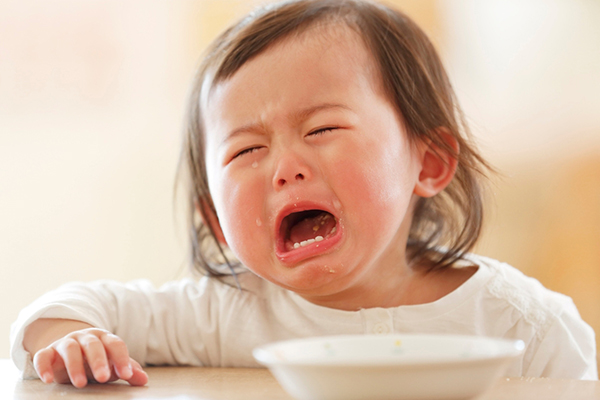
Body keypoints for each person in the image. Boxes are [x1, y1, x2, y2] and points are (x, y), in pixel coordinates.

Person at [10, 0, 597, 388]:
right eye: (246, 150)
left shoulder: (523, 325)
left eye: (322, 129)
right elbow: (66, 308)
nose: (285, 168)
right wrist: (71, 339)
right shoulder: (222, 314)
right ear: (214, 218)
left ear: (429, 161)